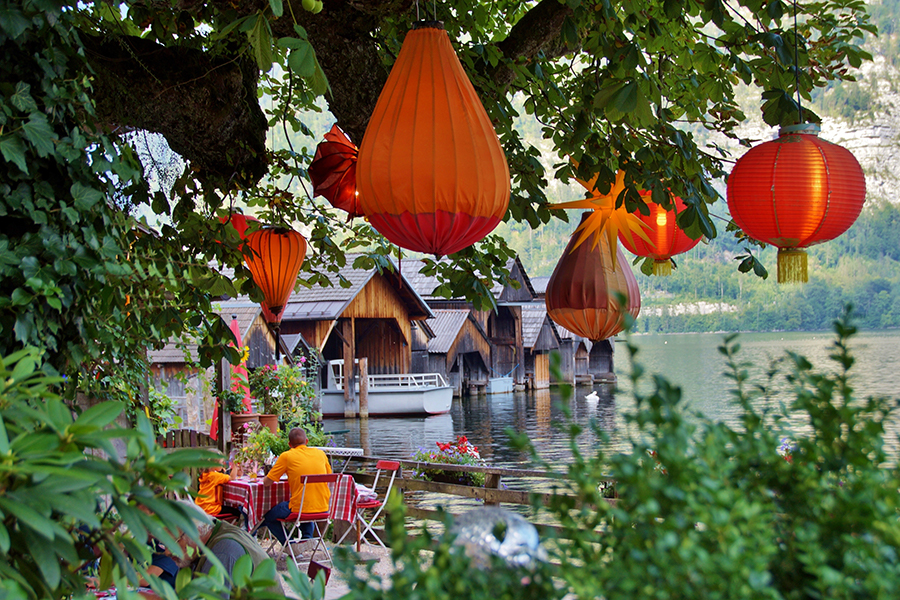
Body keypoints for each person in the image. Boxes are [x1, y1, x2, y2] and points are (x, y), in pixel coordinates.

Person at [258, 428, 331, 546]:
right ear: (306, 441)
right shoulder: (320, 454)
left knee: (269, 517)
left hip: (300, 508)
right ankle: (306, 540)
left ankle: (290, 544)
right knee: (304, 505)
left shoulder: (287, 456)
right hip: (323, 506)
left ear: (289, 444)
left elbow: (267, 482)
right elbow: (329, 475)